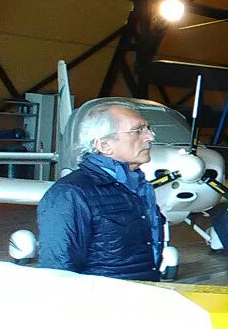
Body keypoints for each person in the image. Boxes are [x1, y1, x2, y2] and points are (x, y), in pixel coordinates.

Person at [37, 102, 163, 280]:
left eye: (149, 129)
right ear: (104, 145)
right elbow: (57, 268)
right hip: (103, 303)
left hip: (142, 298)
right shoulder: (70, 193)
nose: (150, 136)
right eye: (138, 130)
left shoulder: (139, 187)